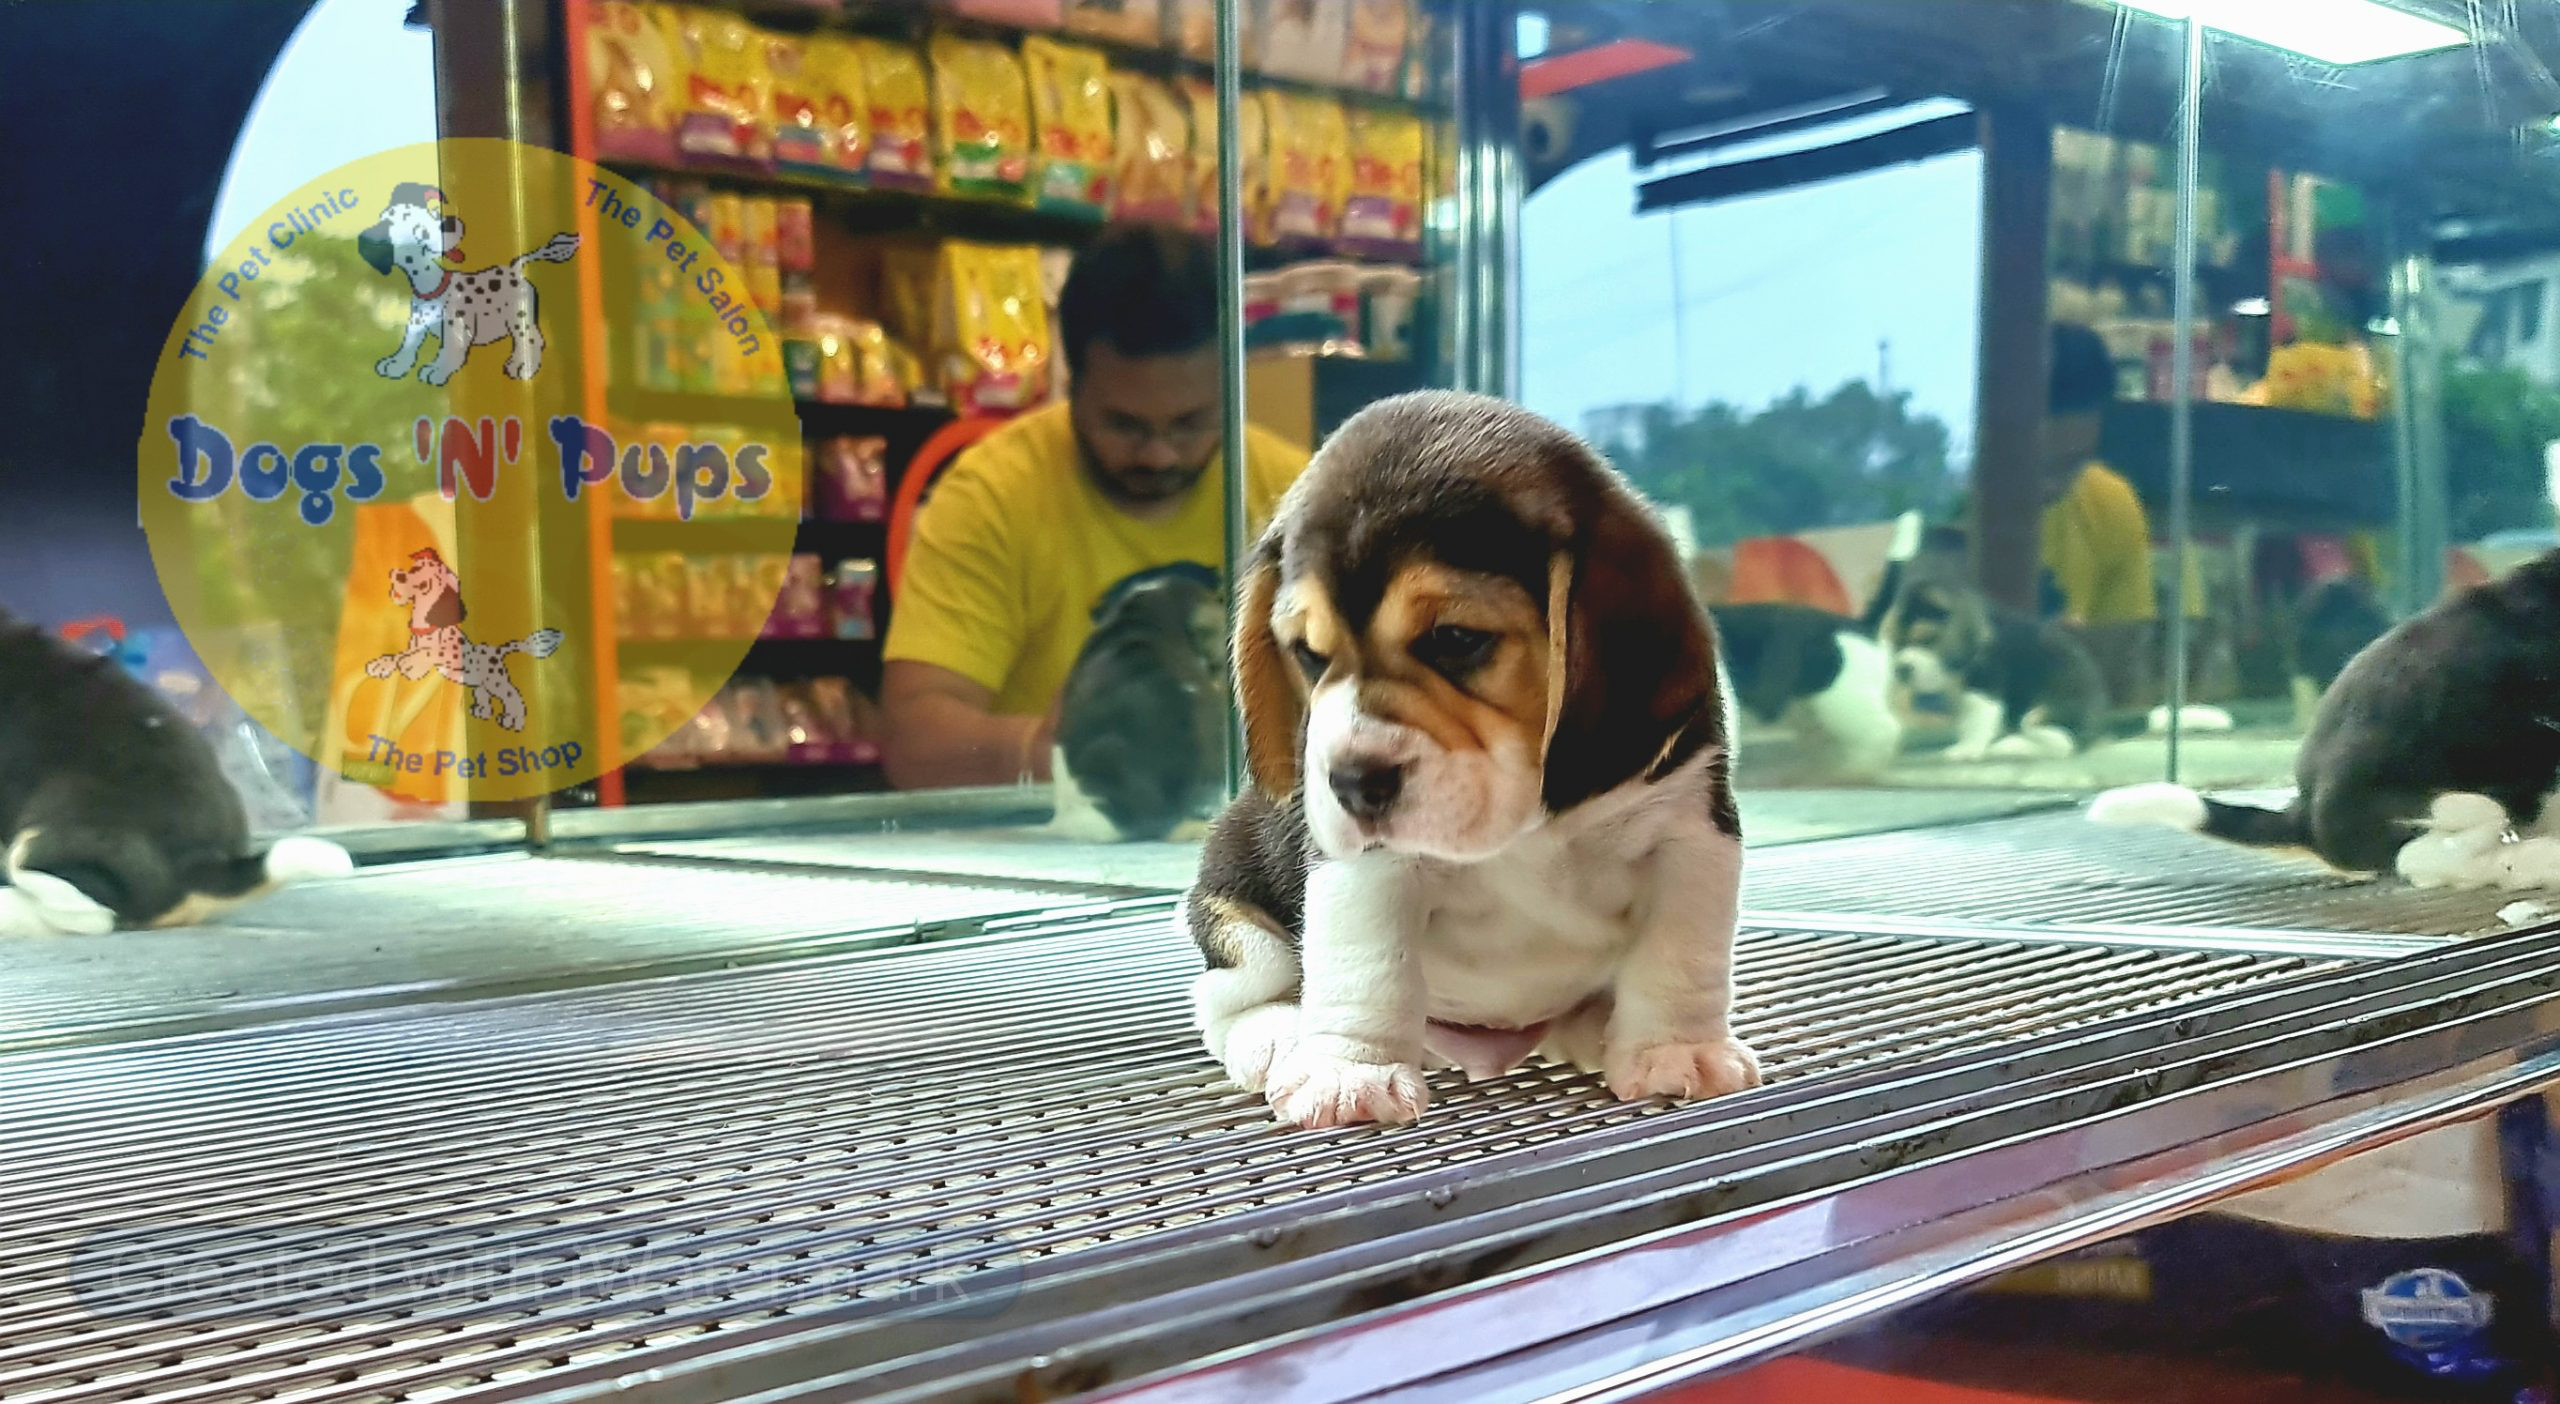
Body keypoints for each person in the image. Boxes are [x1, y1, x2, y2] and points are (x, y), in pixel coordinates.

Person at [880, 225, 1307, 790]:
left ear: (1233, 387)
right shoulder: (990, 496)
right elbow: (912, 740)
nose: (1158, 455)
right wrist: (1044, 751)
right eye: (1124, 425)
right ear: (1070, 383)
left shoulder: (1295, 497)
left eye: (1191, 423)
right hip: (1041, 856)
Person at [2038, 320, 2201, 708]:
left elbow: (2127, 668)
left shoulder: (2109, 503)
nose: (2050, 486)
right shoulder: (1951, 513)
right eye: (2033, 466)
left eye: (2070, 465)